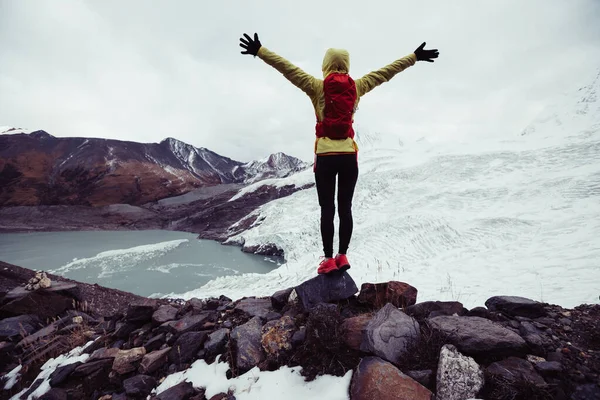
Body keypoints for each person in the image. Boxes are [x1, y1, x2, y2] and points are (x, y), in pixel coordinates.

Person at [239, 33, 439, 275]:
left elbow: (287, 68)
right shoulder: (358, 87)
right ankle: (343, 255)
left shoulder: (316, 87)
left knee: (327, 209)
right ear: (347, 64)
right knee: (345, 208)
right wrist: (414, 57)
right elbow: (387, 72)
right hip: (348, 157)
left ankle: (327, 259)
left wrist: (260, 51)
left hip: (325, 156)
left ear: (325, 65)